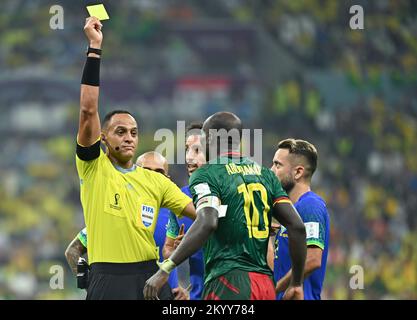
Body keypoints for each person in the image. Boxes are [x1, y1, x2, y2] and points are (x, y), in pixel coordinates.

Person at [76, 17, 195, 300]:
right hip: (107, 279)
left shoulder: (155, 181)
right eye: (120, 131)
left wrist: (170, 263)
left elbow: (203, 218)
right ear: (103, 138)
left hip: (148, 278)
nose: (129, 136)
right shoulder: (94, 167)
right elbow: (87, 110)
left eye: (133, 132)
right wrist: (95, 48)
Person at [144, 112, 307, 300]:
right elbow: (297, 226)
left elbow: (208, 222)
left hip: (229, 283)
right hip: (264, 285)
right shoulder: (266, 175)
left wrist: (166, 267)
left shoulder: (207, 174)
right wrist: (296, 283)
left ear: (211, 139)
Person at [65, 152, 188, 299]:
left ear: (167, 179)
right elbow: (73, 251)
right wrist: (90, 284)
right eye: (146, 171)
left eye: (159, 173)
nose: (153, 177)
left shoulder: (176, 213)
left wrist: (177, 287)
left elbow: (170, 256)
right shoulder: (119, 212)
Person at [271, 139, 330, 300]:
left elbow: (312, 259)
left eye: (278, 165)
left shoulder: (311, 205)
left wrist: (274, 289)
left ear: (298, 172)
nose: (271, 170)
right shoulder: (291, 211)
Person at [162, 122, 206, 300]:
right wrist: (177, 251)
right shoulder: (180, 198)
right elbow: (168, 249)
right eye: (187, 150)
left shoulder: (234, 192)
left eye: (197, 150)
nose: (189, 157)